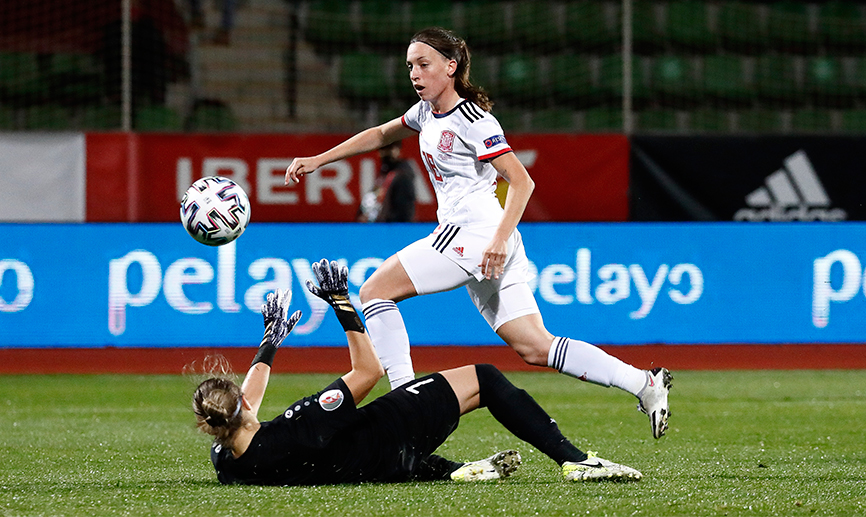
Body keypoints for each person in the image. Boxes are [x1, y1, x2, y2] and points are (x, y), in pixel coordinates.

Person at [285, 27, 672, 440]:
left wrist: (500, 238)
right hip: (480, 238)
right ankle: (644, 384)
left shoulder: (474, 120)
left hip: (476, 234)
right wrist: (319, 159)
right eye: (410, 66)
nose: (414, 74)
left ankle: (407, 402)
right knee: (535, 347)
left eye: (423, 64)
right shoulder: (424, 112)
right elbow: (380, 134)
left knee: (375, 292)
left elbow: (522, 182)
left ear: (450, 67)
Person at [193, 259, 644, 485]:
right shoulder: (302, 424)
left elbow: (244, 403)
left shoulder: (227, 462)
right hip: (388, 434)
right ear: (241, 409)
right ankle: (575, 461)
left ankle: (454, 472)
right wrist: (342, 303)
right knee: (484, 378)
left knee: (401, 443)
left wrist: (270, 342)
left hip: (374, 468)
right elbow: (366, 372)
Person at [357, 140, 417, 223]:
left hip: (390, 229)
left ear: (398, 149)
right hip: (378, 227)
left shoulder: (402, 175)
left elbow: (403, 211)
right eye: (382, 149)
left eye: (390, 148)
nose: (385, 153)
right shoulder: (384, 172)